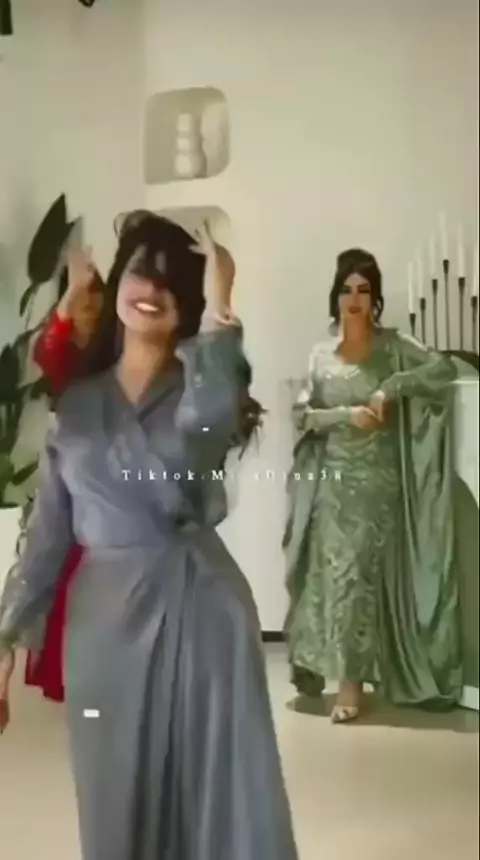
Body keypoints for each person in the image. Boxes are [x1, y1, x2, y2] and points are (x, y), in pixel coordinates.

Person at [0, 214, 298, 860]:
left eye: (172, 283)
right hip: (102, 625)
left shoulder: (201, 388)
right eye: (141, 272)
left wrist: (221, 308)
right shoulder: (75, 405)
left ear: (186, 303)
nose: (153, 290)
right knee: (111, 794)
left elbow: (208, 430)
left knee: (216, 793)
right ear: (118, 284)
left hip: (201, 612)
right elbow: (47, 538)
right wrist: (4, 640)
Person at [283, 247, 464, 723]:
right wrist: (346, 414)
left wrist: (391, 387)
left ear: (375, 297)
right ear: (336, 296)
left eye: (364, 290)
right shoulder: (321, 354)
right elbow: (301, 415)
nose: (355, 298)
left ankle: (351, 686)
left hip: (378, 485)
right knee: (330, 579)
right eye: (347, 289)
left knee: (356, 578)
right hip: (332, 483)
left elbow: (442, 369)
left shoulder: (393, 344)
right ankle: (333, 674)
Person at [23, 249, 104, 702]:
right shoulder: (63, 351)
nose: (91, 308)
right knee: (68, 573)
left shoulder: (116, 351)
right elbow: (46, 351)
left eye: (96, 299)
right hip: (73, 479)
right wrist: (71, 293)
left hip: (113, 479)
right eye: (82, 301)